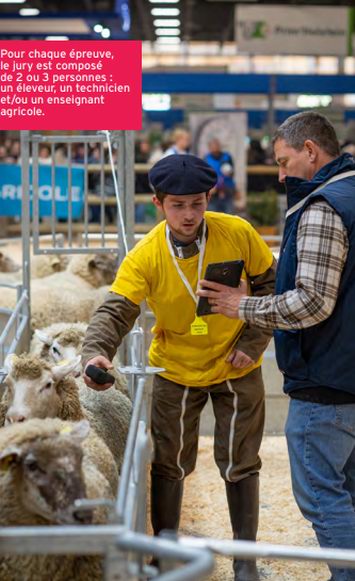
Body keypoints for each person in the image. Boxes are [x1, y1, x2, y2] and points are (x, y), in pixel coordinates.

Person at [81, 154, 276, 581]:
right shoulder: (146, 253)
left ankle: (245, 560)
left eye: (196, 204)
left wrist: (253, 339)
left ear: (209, 197)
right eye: (177, 206)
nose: (188, 215)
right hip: (173, 369)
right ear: (158, 203)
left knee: (241, 461)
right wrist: (95, 353)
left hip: (236, 365)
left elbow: (270, 284)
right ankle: (162, 555)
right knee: (168, 463)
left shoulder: (237, 232)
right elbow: (116, 310)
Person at [197, 111, 355, 581]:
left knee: (323, 495)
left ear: (311, 151)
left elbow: (312, 303)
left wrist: (241, 306)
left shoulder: (325, 207)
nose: (281, 174)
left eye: (285, 162)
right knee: (348, 489)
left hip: (326, 378)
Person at [204, 137, 238, 214]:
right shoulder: (206, 159)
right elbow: (204, 177)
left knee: (229, 216)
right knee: (213, 217)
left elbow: (232, 174)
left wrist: (235, 190)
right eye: (213, 145)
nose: (215, 147)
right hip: (213, 194)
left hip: (227, 191)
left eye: (217, 145)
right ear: (209, 147)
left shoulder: (227, 157)